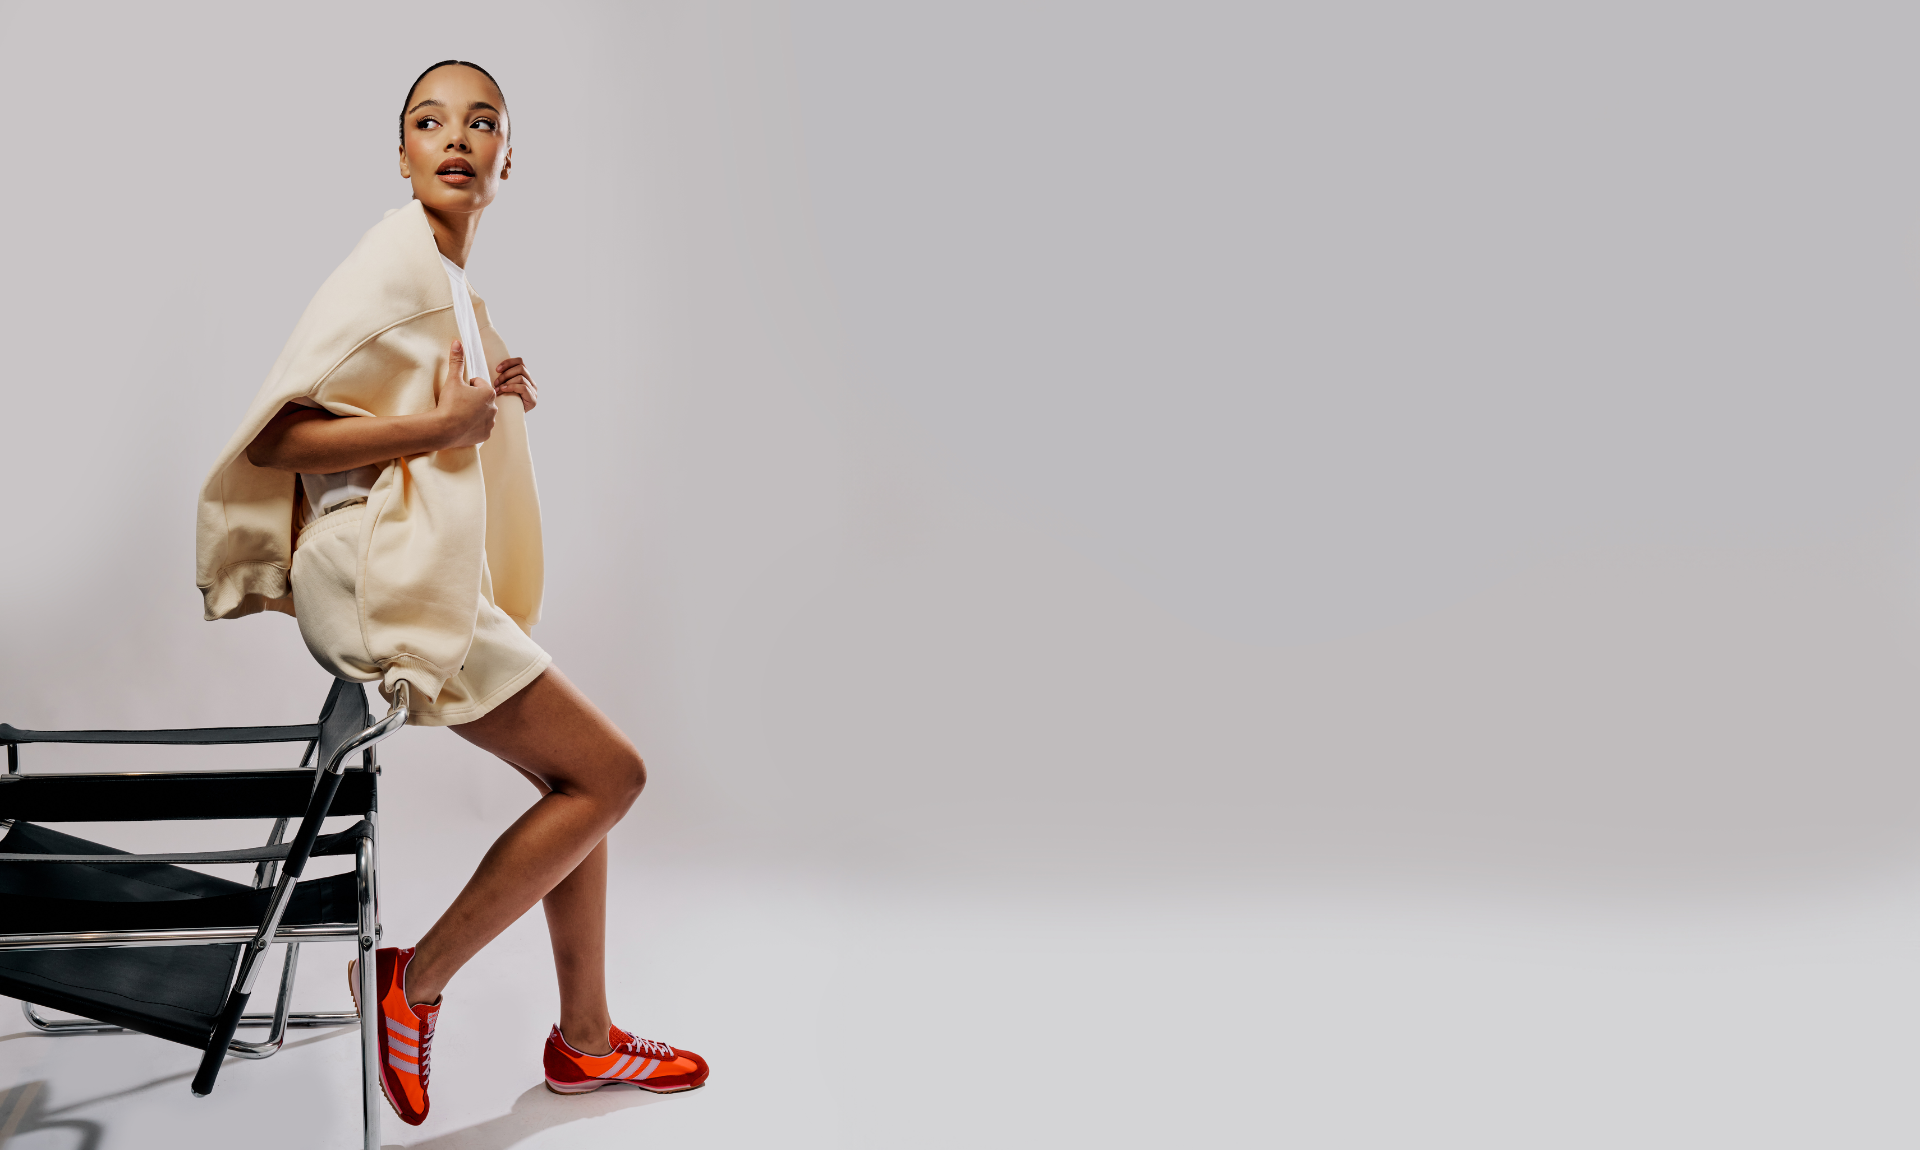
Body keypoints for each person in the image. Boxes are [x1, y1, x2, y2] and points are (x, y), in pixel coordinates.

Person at [194, 60, 707, 1126]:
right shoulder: (388, 265)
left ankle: (585, 1042)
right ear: (403, 154)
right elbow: (281, 434)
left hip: (399, 563)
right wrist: (441, 427)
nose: (457, 137)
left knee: (581, 783)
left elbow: (438, 416)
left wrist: (483, 405)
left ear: (508, 158)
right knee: (611, 774)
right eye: (431, 122)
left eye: (482, 123)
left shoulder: (455, 294)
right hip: (371, 571)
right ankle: (410, 984)